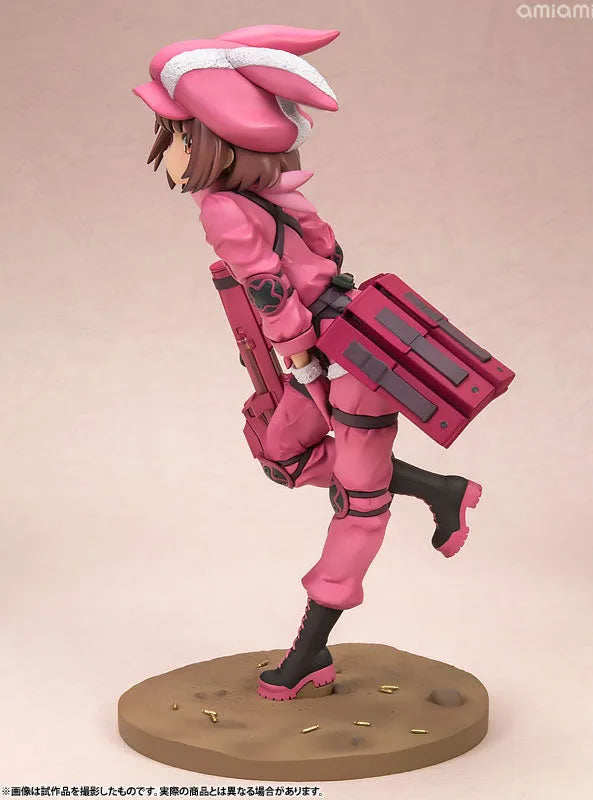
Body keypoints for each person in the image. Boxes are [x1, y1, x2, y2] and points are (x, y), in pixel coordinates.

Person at [133, 24, 481, 701]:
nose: (166, 151)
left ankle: (310, 651)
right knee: (282, 456)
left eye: (174, 136)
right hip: (335, 343)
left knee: (359, 505)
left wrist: (303, 361)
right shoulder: (276, 195)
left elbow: (269, 289)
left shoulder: (226, 209)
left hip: (348, 362)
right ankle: (442, 491)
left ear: (210, 142)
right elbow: (326, 253)